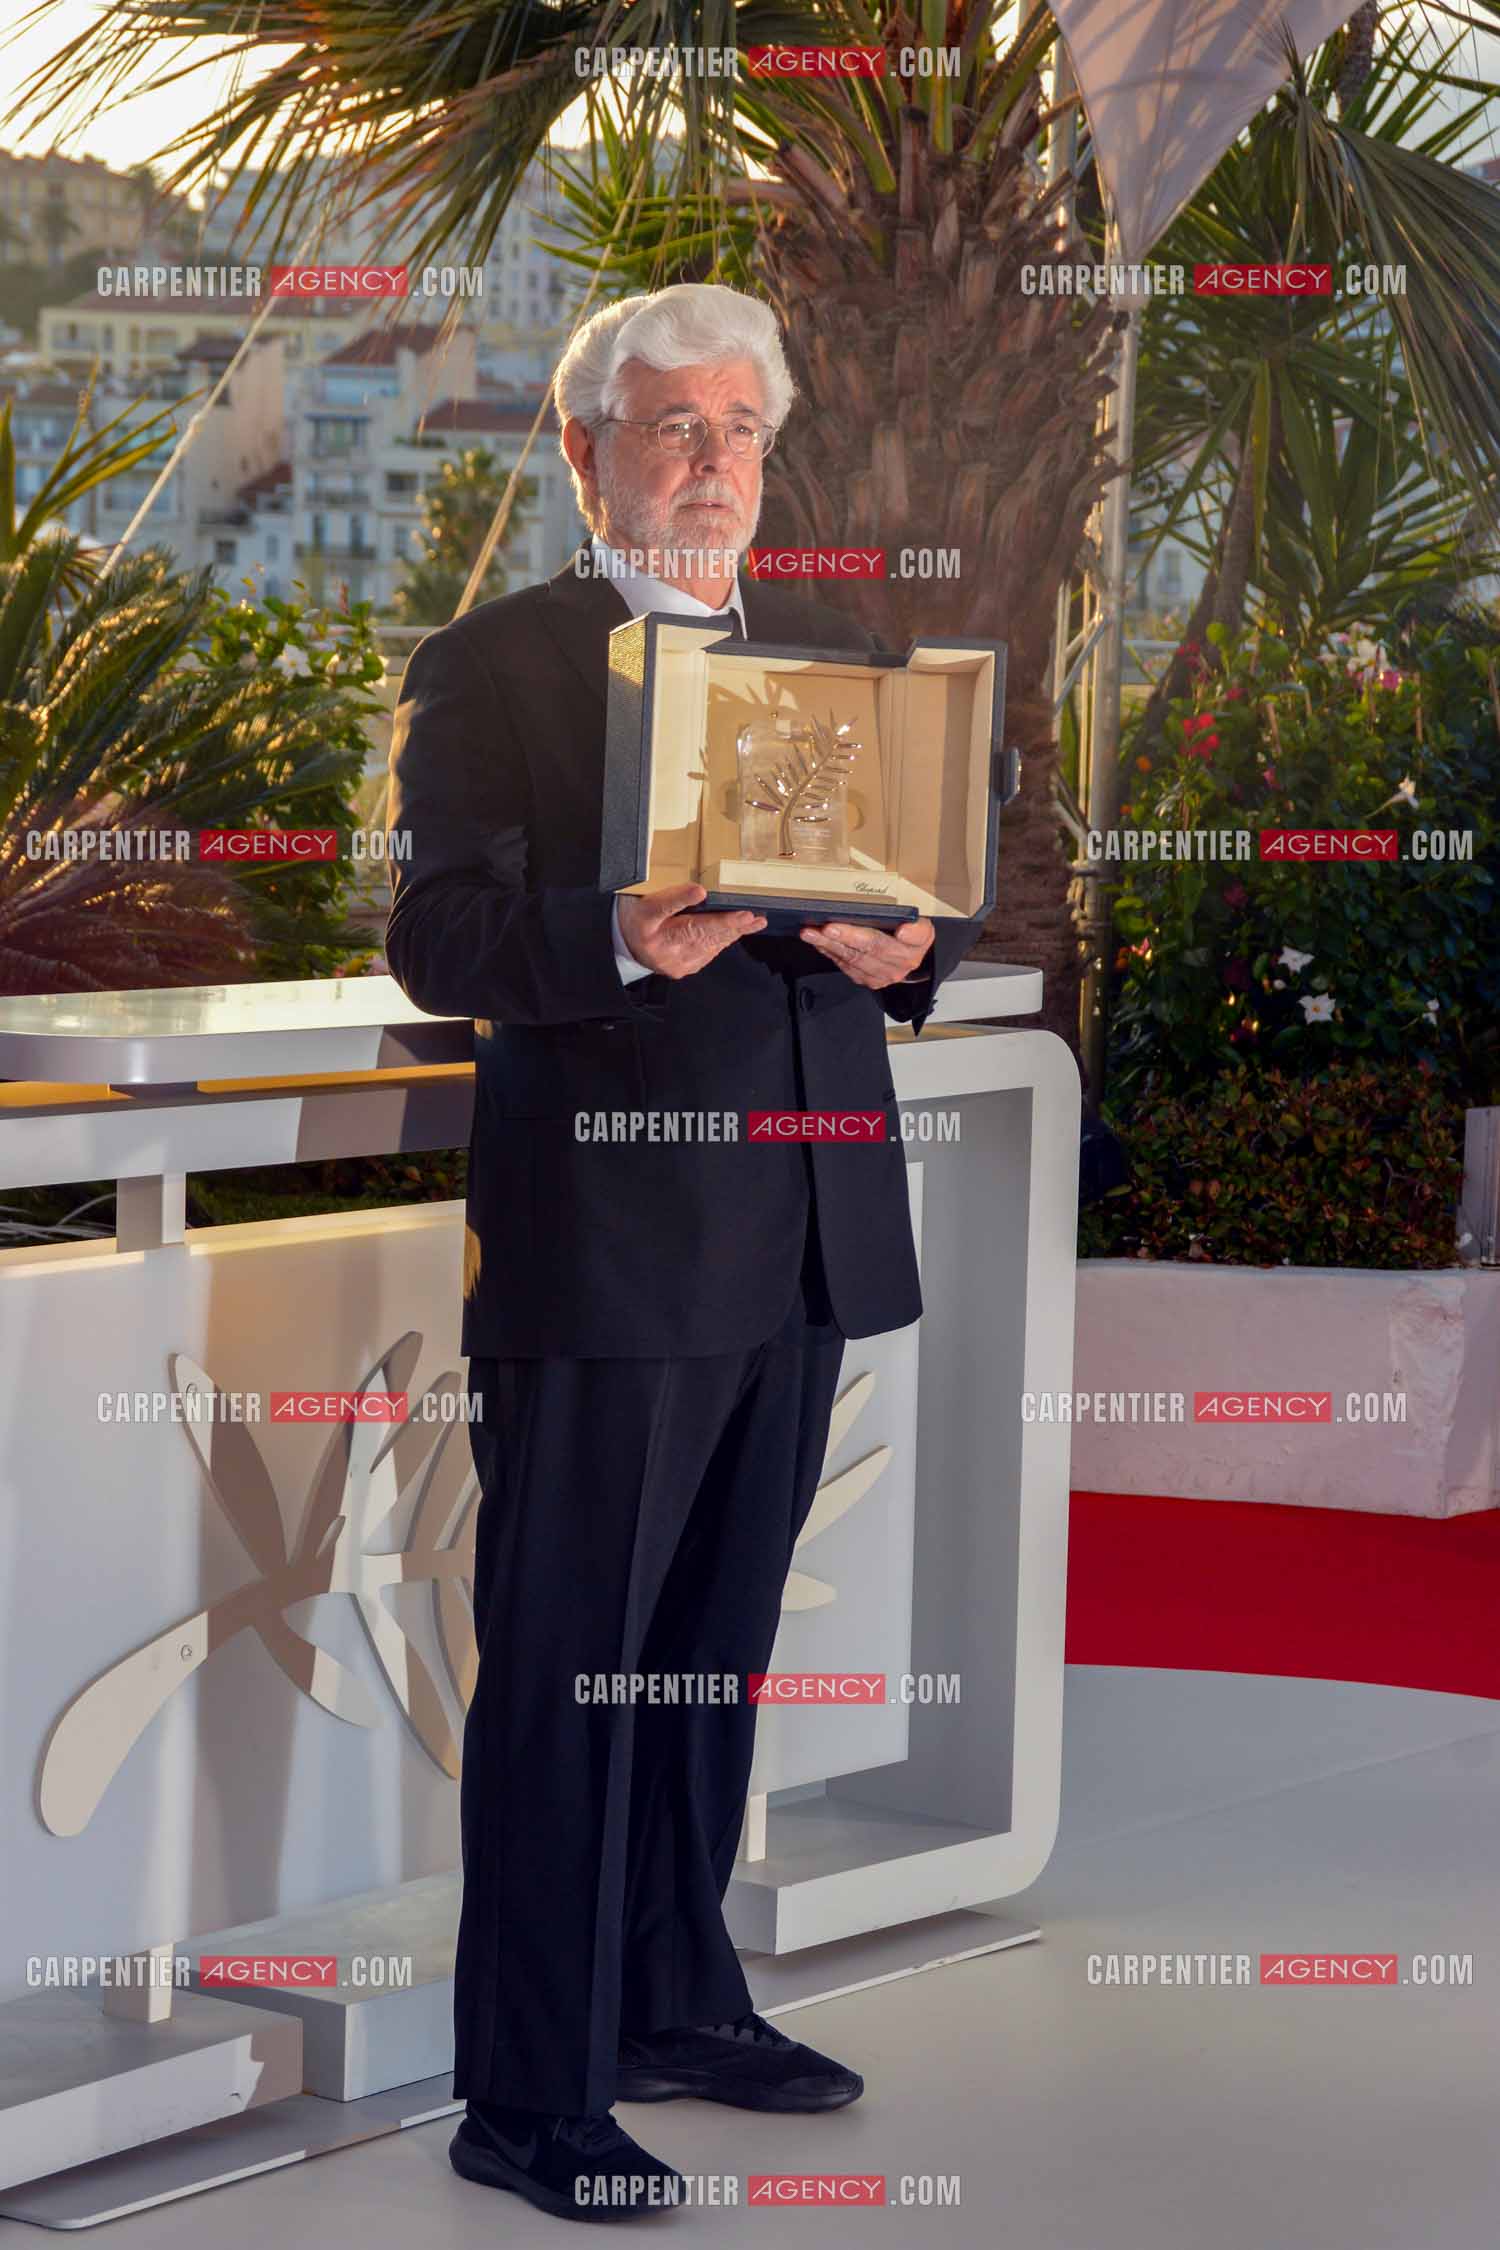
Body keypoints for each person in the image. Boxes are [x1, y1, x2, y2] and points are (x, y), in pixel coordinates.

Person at [384, 281, 987, 2225]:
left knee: (712, 1669)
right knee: (572, 1680)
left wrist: (920, 955)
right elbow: (439, 946)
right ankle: (527, 2097)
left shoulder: (830, 652)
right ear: (585, 452)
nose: (712, 462)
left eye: (739, 428)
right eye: (672, 427)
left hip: (804, 1240)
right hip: (613, 1253)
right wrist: (620, 933)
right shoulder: (499, 667)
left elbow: (906, 911)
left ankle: (672, 1999)